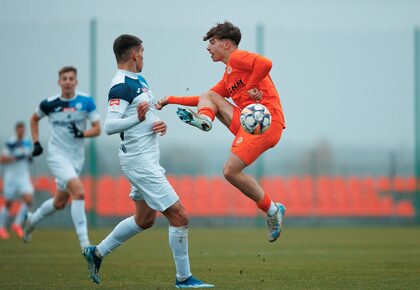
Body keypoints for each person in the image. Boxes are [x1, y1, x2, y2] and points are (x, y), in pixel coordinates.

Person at [82, 34, 214, 288]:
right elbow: (110, 125)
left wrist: (156, 123)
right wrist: (139, 120)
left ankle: (96, 253)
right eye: (142, 51)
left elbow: (144, 112)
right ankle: (183, 279)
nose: (143, 55)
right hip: (139, 162)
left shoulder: (140, 80)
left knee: (144, 219)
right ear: (134, 54)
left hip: (147, 158)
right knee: (180, 216)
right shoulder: (121, 85)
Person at [156, 21, 286, 242]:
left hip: (268, 122)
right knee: (230, 171)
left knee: (229, 170)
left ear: (226, 45)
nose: (208, 48)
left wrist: (253, 85)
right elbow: (204, 98)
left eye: (212, 42)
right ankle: (272, 210)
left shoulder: (237, 57)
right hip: (249, 123)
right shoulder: (228, 74)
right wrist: (170, 99)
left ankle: (273, 210)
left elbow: (266, 63)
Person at [23, 66, 101, 250]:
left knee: (60, 202)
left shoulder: (86, 102)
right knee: (79, 192)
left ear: (76, 82)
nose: (67, 82)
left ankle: (32, 220)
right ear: (59, 82)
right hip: (57, 156)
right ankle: (85, 245)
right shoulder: (49, 103)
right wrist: (36, 142)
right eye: (64, 79)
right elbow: (34, 119)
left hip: (76, 158)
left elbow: (97, 129)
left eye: (70, 78)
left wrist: (82, 133)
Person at [0, 122, 34, 239]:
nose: (21, 132)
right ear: (16, 130)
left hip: (23, 176)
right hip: (11, 177)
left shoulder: (27, 142)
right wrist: (13, 158)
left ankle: (16, 224)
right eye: (20, 129)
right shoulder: (11, 143)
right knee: (8, 203)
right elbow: (2, 159)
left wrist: (30, 157)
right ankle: (1, 227)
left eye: (23, 130)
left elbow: (29, 158)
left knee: (29, 199)